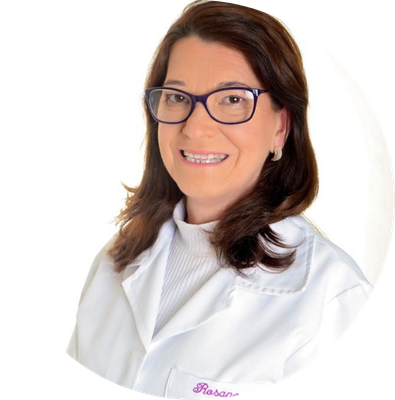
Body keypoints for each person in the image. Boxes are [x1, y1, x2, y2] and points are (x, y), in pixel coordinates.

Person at [67, 0, 373, 397]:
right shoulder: (114, 262)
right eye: (177, 97)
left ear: (280, 127)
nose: (195, 128)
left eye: (232, 99)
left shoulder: (333, 299)